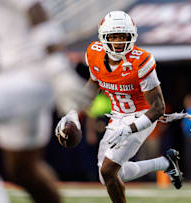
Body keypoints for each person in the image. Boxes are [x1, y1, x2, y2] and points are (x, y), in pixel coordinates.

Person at [0, 0, 91, 203]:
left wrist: (58, 70)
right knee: (24, 170)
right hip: (20, 75)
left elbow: (36, 11)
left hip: (31, 73)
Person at [56, 11, 182, 202]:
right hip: (117, 116)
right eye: (113, 37)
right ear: (103, 37)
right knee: (107, 175)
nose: (118, 42)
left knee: (108, 170)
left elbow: (158, 108)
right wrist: (73, 112)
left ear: (132, 37)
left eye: (123, 37)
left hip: (142, 115)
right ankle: (165, 163)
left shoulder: (141, 61)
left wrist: (130, 128)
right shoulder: (94, 53)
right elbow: (93, 84)